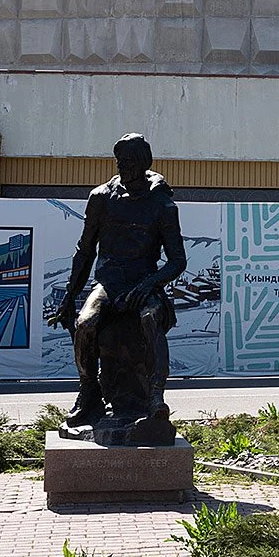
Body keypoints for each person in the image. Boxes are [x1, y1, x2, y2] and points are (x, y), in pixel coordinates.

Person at [51, 133, 185, 427]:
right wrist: (69, 296)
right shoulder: (101, 198)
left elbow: (177, 261)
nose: (121, 166)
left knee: (150, 319)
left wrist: (149, 285)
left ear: (143, 163)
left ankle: (154, 398)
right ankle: (88, 394)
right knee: (85, 324)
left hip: (143, 283)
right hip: (108, 285)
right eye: (119, 160)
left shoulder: (162, 205)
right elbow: (84, 251)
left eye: (128, 161)